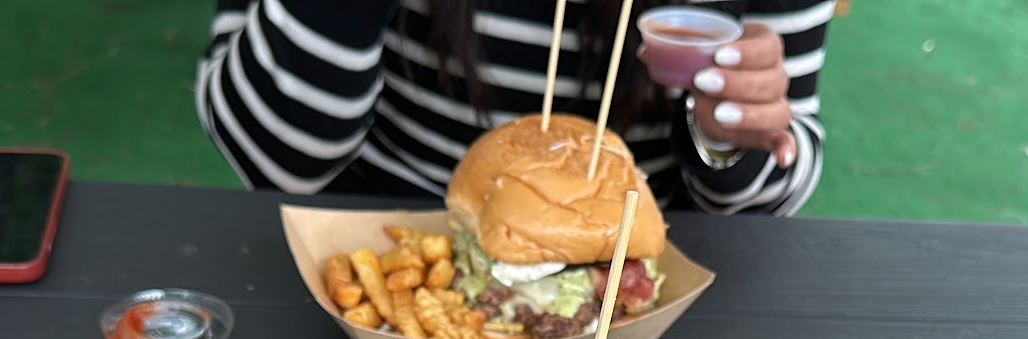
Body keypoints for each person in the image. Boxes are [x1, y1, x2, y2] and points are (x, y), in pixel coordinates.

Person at [197, 0, 829, 215]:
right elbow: (272, 156)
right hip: (380, 253)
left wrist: (725, 136)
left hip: (632, 293)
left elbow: (777, 182)